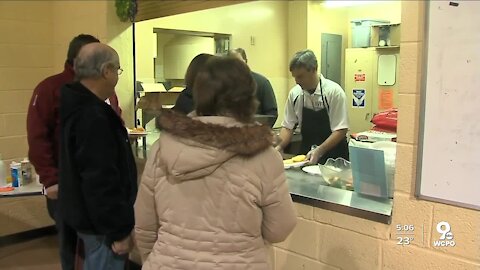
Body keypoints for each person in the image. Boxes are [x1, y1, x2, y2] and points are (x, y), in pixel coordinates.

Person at [135, 56, 296, 270]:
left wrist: (155, 261)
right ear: (249, 97)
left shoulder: (162, 149)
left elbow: (144, 225)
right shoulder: (264, 156)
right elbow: (280, 228)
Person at [26, 33, 122, 270]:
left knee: (102, 249)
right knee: (72, 248)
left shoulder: (105, 88)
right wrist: (51, 181)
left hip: (101, 188)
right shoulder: (51, 89)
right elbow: (37, 137)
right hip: (66, 188)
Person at [58, 43, 137, 270]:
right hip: (101, 226)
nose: (117, 76)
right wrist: (119, 231)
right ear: (106, 71)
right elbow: (100, 179)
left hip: (88, 217)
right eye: (118, 70)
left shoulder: (76, 105)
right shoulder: (93, 116)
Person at [275, 49, 349, 165]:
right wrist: (278, 147)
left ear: (314, 70)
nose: (297, 81)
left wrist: (320, 150)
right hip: (307, 155)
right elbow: (288, 127)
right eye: (295, 77)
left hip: (335, 157)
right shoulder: (295, 95)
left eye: (300, 76)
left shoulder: (334, 92)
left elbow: (340, 130)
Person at [230, 48, 278, 125]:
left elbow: (272, 113)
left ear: (246, 61)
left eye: (239, 62)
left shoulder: (262, 82)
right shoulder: (225, 84)